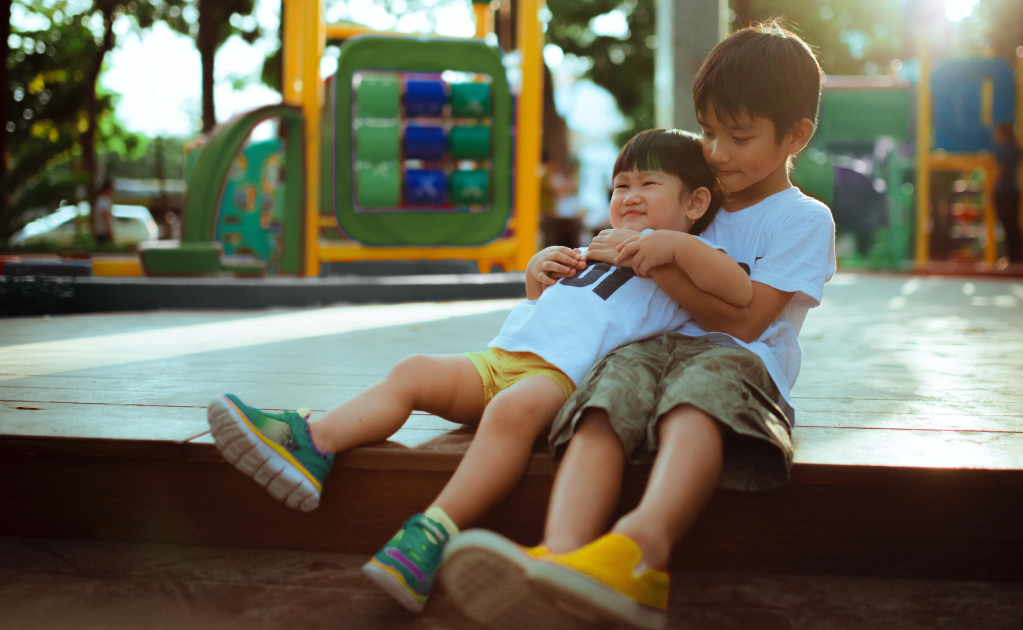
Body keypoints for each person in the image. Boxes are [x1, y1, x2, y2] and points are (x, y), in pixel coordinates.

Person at [205, 129, 752, 614]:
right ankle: (313, 443)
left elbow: (737, 288)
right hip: (500, 359)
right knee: (414, 370)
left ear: (696, 202)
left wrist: (669, 244)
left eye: (648, 185)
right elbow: (561, 306)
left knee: (510, 414)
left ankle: (431, 534)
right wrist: (539, 275)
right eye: (620, 186)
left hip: (558, 379)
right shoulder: (600, 247)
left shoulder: (685, 260)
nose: (629, 196)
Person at [440, 21, 835, 630]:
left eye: (740, 135)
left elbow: (752, 320)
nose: (719, 152)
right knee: (603, 398)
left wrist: (659, 253)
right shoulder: (695, 194)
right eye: (708, 132)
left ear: (796, 136)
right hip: (649, 347)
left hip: (740, 360)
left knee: (694, 401)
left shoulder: (803, 219)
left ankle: (639, 553)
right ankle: (563, 556)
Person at [992, 123, 1023, 265]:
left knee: (1007, 225)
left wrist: (992, 189)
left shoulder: (1002, 151)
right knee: (1014, 225)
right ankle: (1018, 257)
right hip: (1015, 191)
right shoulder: (1015, 150)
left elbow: (1000, 171)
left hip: (1004, 192)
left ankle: (1013, 258)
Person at [92, 179, 116, 245]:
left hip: (98, 232)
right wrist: (111, 234)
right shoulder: (106, 201)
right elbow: (106, 218)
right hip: (104, 233)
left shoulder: (98, 200)